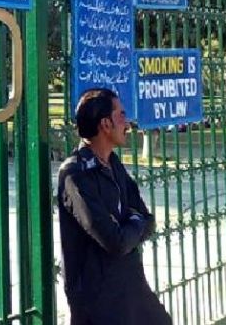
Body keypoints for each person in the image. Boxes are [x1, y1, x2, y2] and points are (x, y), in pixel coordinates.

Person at [57, 88, 171, 324]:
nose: (127, 124)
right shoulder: (75, 175)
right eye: (121, 115)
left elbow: (147, 219)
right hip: (99, 301)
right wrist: (133, 223)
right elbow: (114, 241)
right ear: (105, 124)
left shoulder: (113, 163)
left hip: (131, 287)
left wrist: (133, 223)